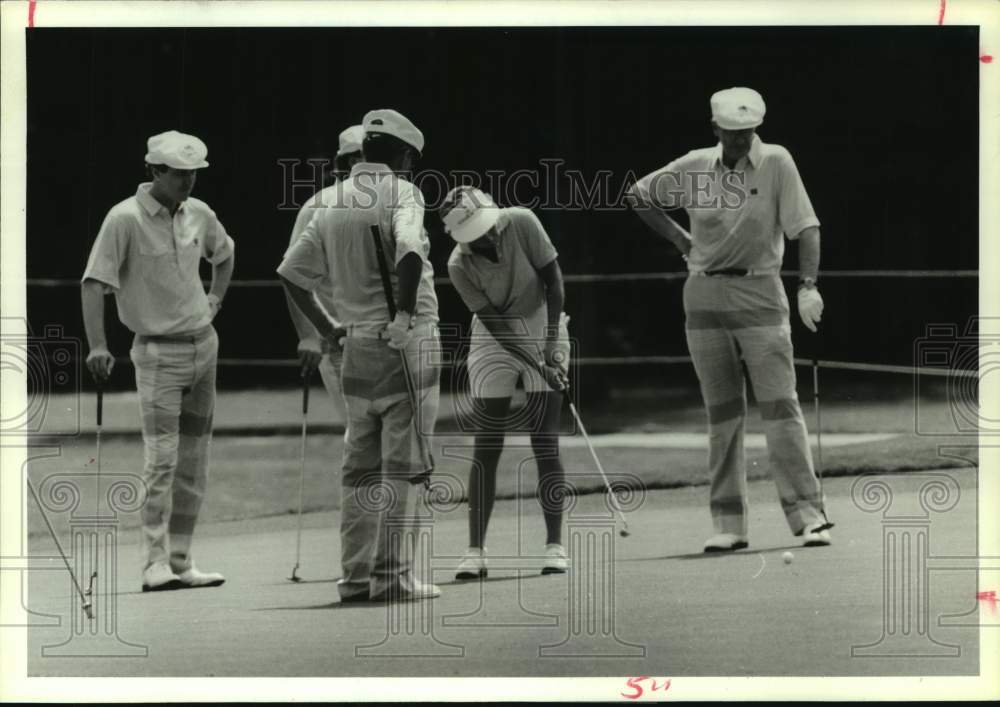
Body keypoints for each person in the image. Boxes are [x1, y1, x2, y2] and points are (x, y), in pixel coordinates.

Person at [628, 87, 833, 552]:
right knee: (722, 414)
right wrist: (682, 241)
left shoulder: (777, 161)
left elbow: (807, 226)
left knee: (781, 407)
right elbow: (638, 195)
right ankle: (729, 523)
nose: (743, 142)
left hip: (760, 290)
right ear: (716, 128)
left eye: (750, 133)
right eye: (735, 134)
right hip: (702, 294)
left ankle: (808, 516)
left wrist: (808, 285)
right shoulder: (695, 165)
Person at [278, 109, 442, 602]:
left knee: (358, 466)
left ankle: (354, 577)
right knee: (402, 464)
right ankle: (391, 577)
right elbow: (411, 249)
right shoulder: (402, 192)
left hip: (352, 343)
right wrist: (405, 316)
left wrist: (328, 328)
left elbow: (291, 273)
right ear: (406, 156)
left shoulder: (329, 202)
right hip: (403, 343)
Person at [81, 130, 235, 591]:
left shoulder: (199, 213)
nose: (188, 181)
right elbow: (94, 282)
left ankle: (183, 562)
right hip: (155, 352)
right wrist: (97, 345)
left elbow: (225, 255)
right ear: (154, 171)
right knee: (162, 460)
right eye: (179, 173)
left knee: (195, 460)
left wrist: (215, 301)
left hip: (203, 345)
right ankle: (153, 564)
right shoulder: (123, 218)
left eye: (193, 173)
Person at [442, 186, 571, 579]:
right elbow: (497, 326)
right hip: (493, 334)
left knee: (544, 439)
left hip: (542, 318)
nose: (492, 234)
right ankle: (475, 551)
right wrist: (535, 360)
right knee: (487, 441)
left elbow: (554, 282)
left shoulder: (521, 221)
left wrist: (550, 344)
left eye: (490, 225)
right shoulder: (458, 265)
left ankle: (554, 546)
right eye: (481, 233)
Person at [284, 125, 365, 415]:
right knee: (360, 437)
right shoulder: (316, 207)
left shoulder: (397, 204)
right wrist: (308, 335)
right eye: (357, 157)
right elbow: (294, 275)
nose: (364, 164)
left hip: (390, 340)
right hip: (341, 342)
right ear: (344, 163)